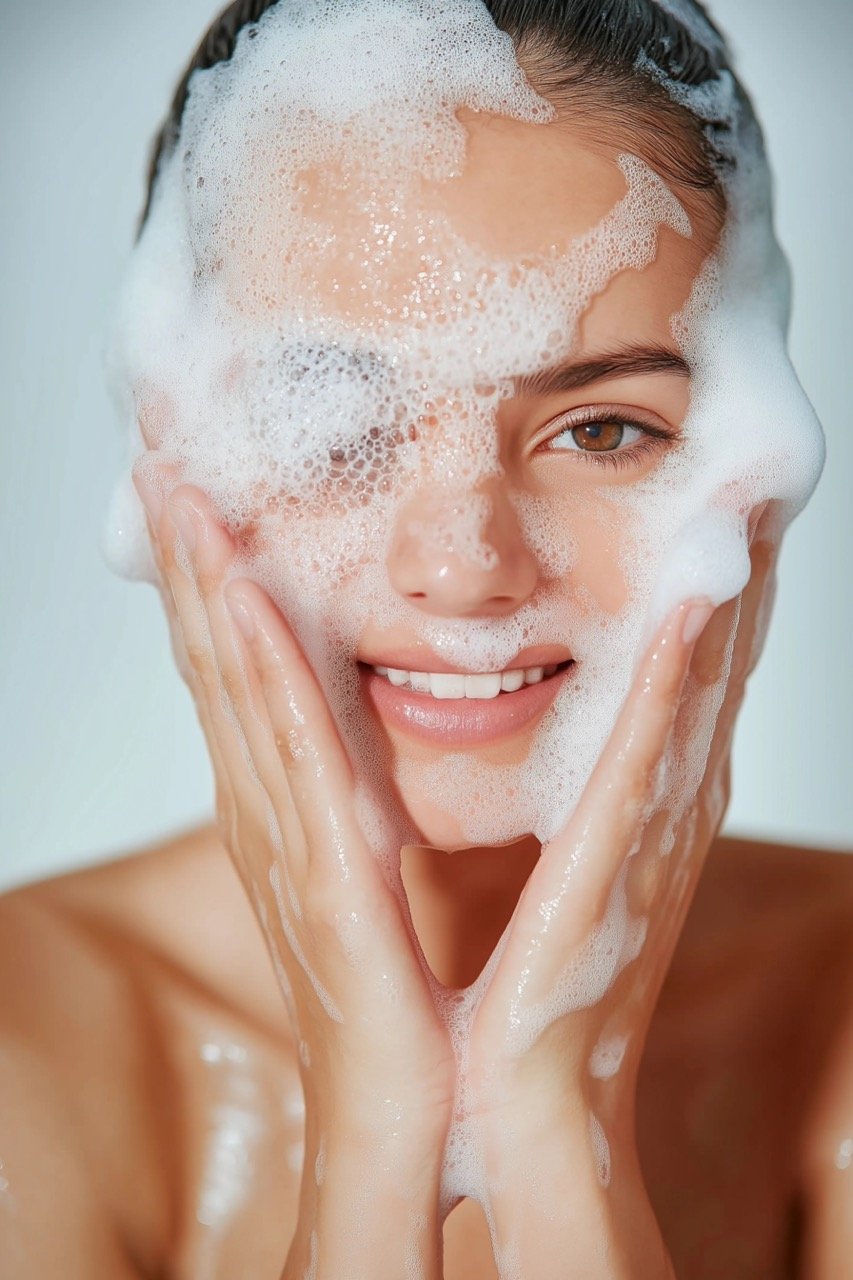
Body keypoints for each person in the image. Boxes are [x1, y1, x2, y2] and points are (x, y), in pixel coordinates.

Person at [1, 2, 850, 1278]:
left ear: (751, 472)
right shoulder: (32, 1051)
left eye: (602, 429)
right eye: (335, 426)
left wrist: (558, 1126)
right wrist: (377, 1137)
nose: (464, 568)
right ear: (172, 462)